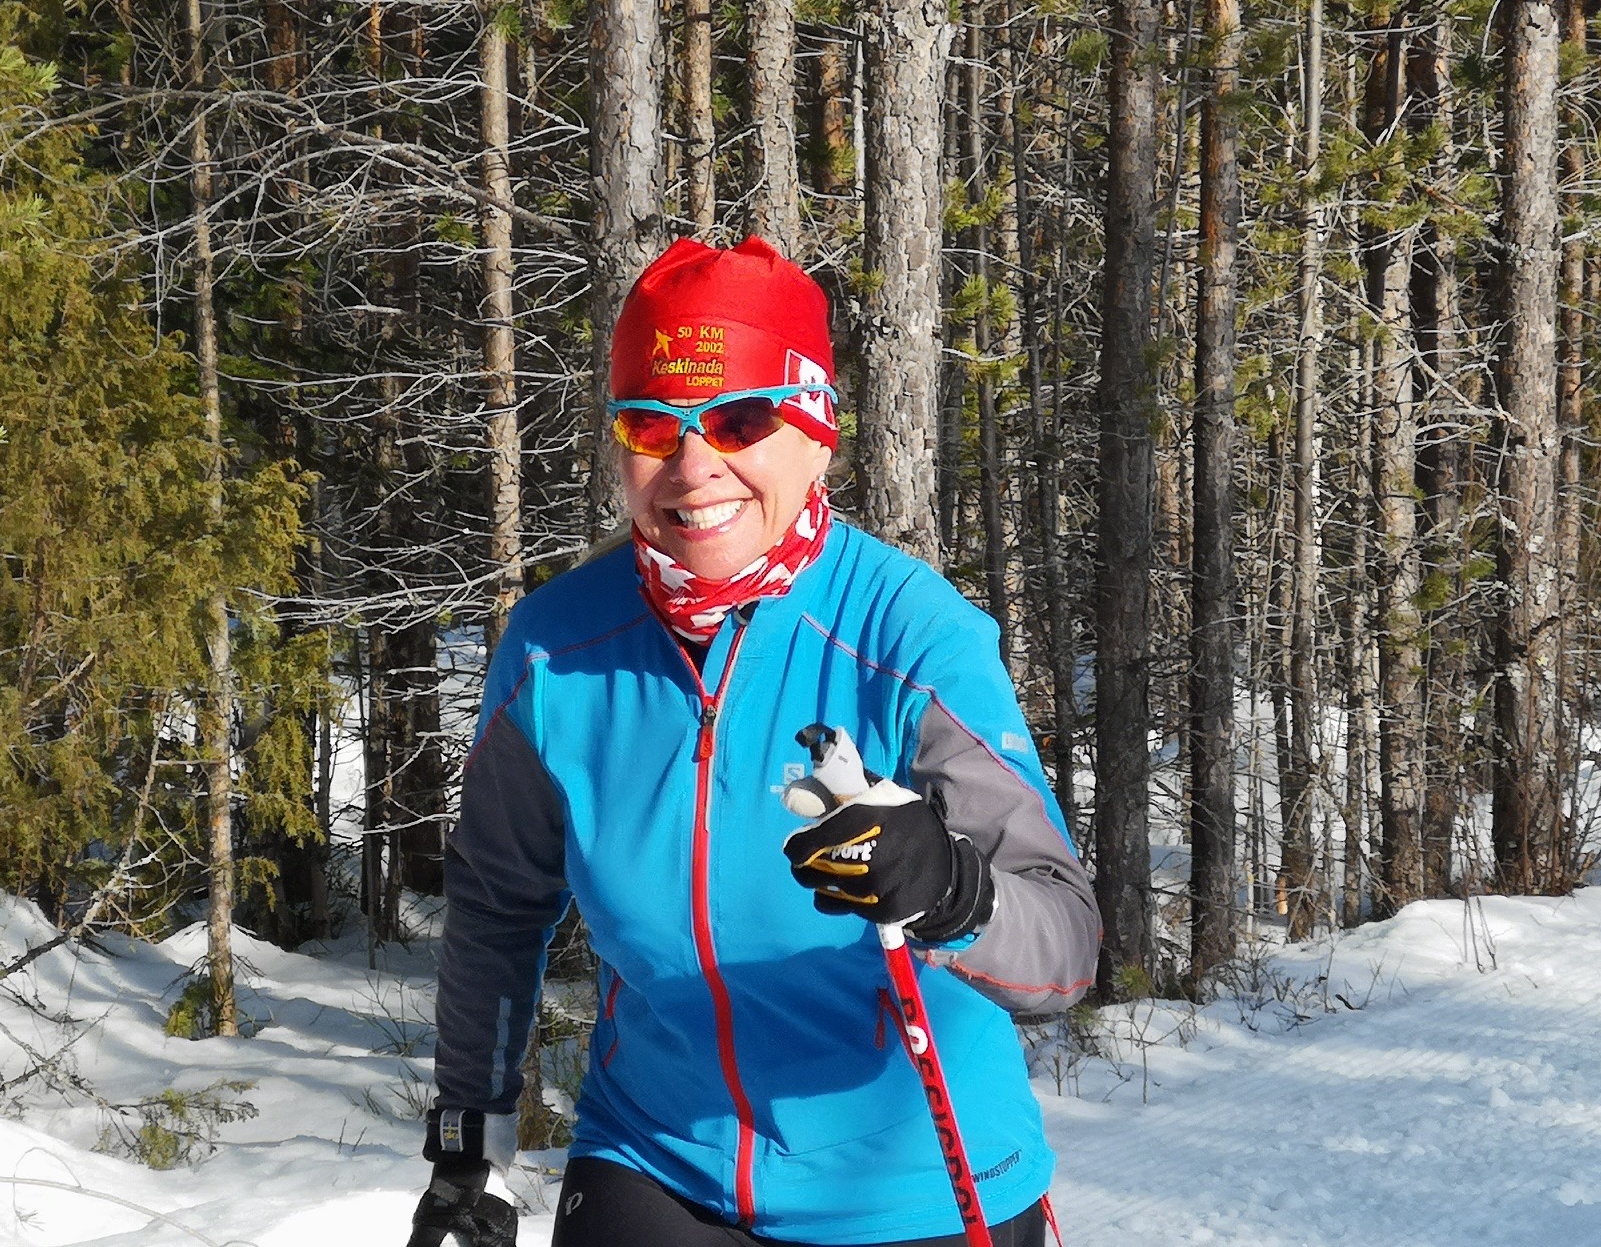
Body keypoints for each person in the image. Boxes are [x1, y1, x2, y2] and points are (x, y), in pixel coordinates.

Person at [407, 237, 1100, 1247]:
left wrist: (950, 888)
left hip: (910, 1179)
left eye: (740, 421)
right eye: (653, 424)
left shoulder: (910, 637)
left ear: (816, 433)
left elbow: (1065, 948)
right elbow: (498, 906)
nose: (695, 468)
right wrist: (472, 1143)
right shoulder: (557, 649)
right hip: (659, 1155)